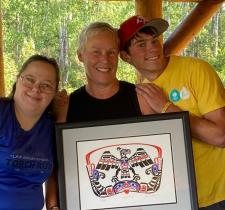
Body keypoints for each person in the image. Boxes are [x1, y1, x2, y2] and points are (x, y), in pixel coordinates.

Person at [118, 15, 225, 209]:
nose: (152, 48)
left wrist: (166, 108)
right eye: (141, 44)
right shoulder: (139, 93)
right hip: (177, 199)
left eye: (154, 41)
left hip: (218, 195)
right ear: (126, 56)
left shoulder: (196, 69)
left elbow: (221, 136)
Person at [0, 54, 60, 210]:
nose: (36, 89)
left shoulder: (50, 127)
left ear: (54, 93)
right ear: (17, 80)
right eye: (30, 79)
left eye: (46, 85)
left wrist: (53, 207)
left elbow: (55, 173)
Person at [64, 22, 153, 123]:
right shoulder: (68, 107)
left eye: (111, 52)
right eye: (96, 52)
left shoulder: (141, 98)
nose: (105, 60)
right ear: (80, 55)